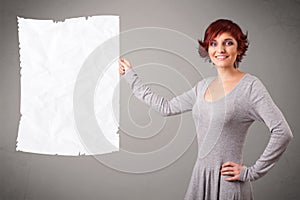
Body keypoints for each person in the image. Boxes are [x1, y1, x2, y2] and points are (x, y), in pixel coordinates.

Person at [118, 19, 293, 200]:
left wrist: (252, 172)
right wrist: (131, 76)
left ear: (239, 49)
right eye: (213, 43)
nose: (220, 50)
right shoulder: (202, 86)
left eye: (228, 43)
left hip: (228, 185)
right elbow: (166, 107)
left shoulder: (250, 87)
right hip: (200, 180)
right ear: (208, 50)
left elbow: (283, 132)